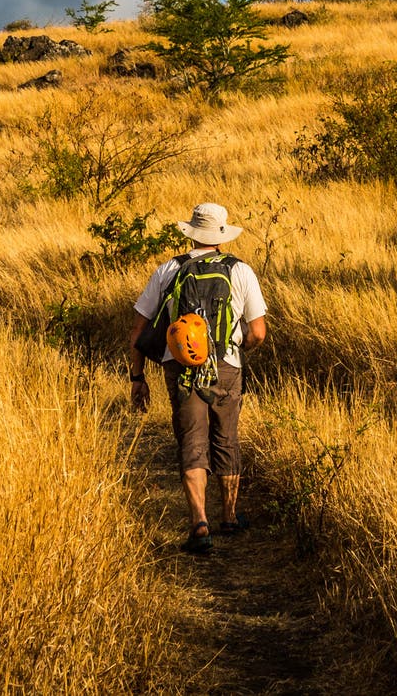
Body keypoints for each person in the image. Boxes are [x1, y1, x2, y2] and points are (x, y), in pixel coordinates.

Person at [129, 202, 267, 554]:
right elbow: (259, 332)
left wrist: (137, 376)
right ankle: (231, 517)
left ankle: (200, 524)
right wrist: (236, 352)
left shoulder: (168, 269)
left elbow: (140, 329)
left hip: (181, 367)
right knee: (226, 437)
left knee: (192, 439)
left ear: (191, 231)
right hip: (226, 364)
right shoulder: (240, 271)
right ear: (220, 235)